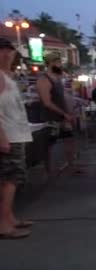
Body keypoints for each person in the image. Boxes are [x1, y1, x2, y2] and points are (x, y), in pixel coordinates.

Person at [0, 38, 32, 239]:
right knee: (10, 180)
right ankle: (4, 224)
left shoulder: (6, 75)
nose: (9, 55)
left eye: (10, 52)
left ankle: (9, 217)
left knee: (9, 179)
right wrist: (2, 137)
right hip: (8, 134)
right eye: (6, 52)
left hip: (16, 132)